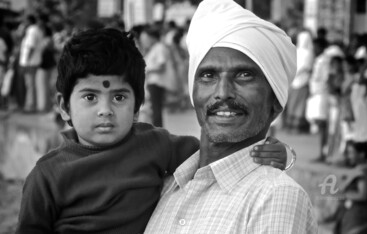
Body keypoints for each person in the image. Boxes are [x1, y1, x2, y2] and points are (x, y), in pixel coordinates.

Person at [16, 28, 290, 234]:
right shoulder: (47, 175)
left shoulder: (155, 144)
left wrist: (278, 154)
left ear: (137, 107)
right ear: (64, 107)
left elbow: (218, 158)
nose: (105, 110)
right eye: (90, 97)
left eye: (119, 98)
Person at [145, 0, 317, 233]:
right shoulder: (167, 182)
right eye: (208, 75)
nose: (223, 93)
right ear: (193, 92)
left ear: (275, 101)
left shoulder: (274, 195)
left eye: (244, 75)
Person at [334, 141, 367, 234]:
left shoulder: (363, 172)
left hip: (358, 217)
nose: (349, 156)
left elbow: (363, 195)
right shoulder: (358, 170)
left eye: (352, 153)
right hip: (352, 216)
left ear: (362, 154)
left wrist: (344, 195)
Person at [18, 14, 44, 112]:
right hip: (34, 61)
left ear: (29, 21)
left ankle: (30, 106)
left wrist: (26, 62)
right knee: (31, 84)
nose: (24, 23)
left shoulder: (32, 30)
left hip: (30, 62)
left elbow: (31, 46)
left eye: (25, 21)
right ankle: (31, 105)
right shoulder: (37, 30)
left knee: (30, 84)